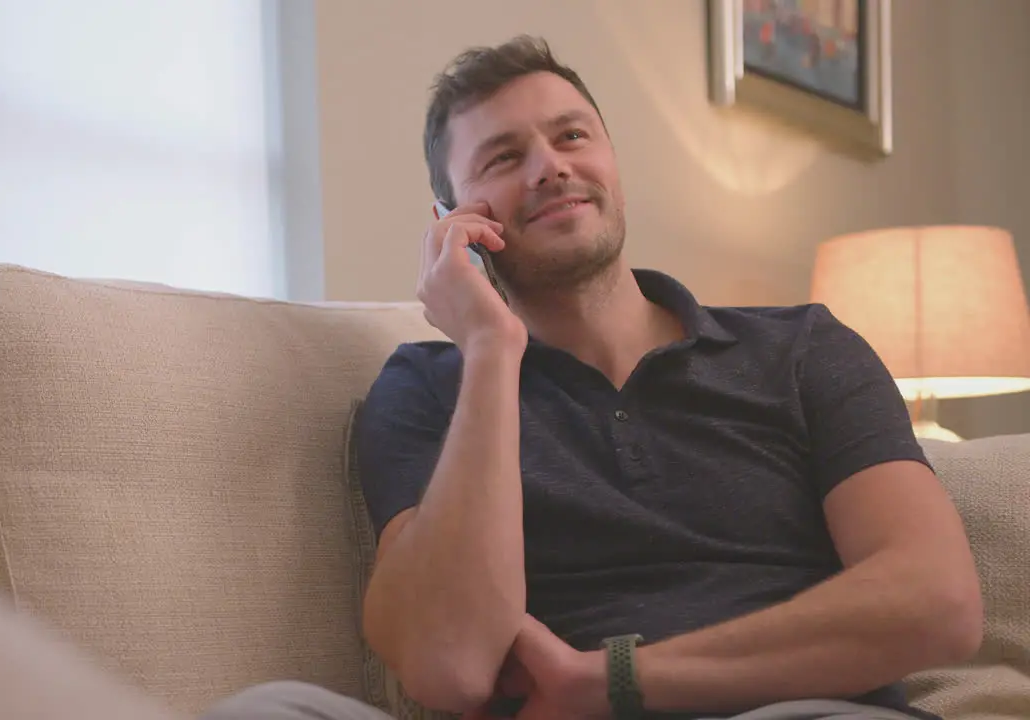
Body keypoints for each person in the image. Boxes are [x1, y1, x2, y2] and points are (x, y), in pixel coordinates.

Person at [352, 35, 984, 720]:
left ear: (612, 162)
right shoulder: (424, 389)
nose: (551, 167)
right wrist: (489, 351)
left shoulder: (803, 349)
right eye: (503, 157)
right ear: (450, 222)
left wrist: (612, 680)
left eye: (572, 136)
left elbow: (939, 603)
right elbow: (447, 666)